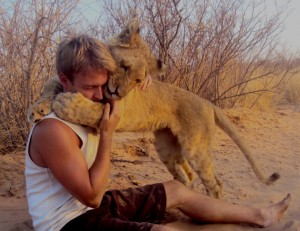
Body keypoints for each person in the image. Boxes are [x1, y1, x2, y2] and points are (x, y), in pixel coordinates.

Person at [25, 34, 291, 231]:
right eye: (90, 88)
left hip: (85, 206)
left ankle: (259, 215)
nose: (100, 96)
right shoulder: (52, 130)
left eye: (103, 85)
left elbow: (123, 65)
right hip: (67, 222)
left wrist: (141, 76)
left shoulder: (90, 98)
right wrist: (107, 134)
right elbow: (93, 197)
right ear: (64, 80)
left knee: (177, 189)